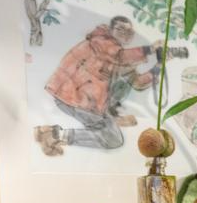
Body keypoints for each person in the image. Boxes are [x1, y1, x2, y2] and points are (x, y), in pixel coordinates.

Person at [35, 16, 155, 155]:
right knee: (112, 138)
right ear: (111, 29)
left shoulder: (116, 56)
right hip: (73, 98)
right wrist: (150, 49)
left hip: (86, 103)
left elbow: (137, 82)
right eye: (120, 29)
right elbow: (121, 56)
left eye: (129, 31)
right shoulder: (101, 42)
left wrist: (158, 68)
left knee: (113, 137)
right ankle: (54, 136)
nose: (125, 34)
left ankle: (51, 133)